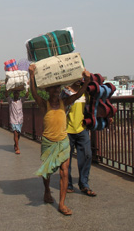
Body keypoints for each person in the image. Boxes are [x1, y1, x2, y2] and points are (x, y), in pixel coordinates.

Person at [29, 64, 90, 216]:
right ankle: (47, 191)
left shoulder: (65, 102)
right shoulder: (44, 104)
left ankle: (62, 203)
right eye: (53, 88)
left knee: (64, 172)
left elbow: (78, 95)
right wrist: (31, 75)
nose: (56, 90)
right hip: (48, 141)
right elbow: (34, 92)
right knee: (47, 172)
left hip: (63, 141)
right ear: (48, 90)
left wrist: (87, 81)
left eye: (58, 88)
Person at [61, 81, 97, 197]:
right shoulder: (65, 92)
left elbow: (95, 105)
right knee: (67, 159)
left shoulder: (86, 91)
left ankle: (84, 184)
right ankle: (69, 184)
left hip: (82, 129)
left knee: (87, 155)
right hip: (67, 130)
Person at [5, 89, 29, 154]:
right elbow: (6, 95)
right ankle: (17, 148)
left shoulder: (21, 100)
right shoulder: (10, 101)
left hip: (20, 119)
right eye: (15, 93)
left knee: (18, 134)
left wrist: (27, 88)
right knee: (15, 133)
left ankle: (16, 143)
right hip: (13, 119)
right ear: (13, 94)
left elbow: (26, 96)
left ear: (18, 94)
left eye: (17, 93)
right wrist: (7, 89)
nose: (16, 94)